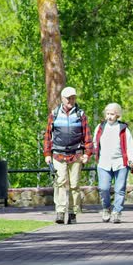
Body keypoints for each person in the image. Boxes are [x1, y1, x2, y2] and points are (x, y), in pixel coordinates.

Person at [43, 86, 93, 224]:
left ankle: (72, 212)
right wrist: (47, 153)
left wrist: (87, 153)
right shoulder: (54, 114)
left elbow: (87, 136)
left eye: (73, 97)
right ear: (62, 99)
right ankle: (60, 212)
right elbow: (48, 136)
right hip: (58, 154)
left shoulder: (80, 115)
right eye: (68, 98)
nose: (71, 100)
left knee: (74, 185)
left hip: (76, 154)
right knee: (60, 182)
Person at [93, 103, 133, 224]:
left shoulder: (123, 129)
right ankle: (106, 208)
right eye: (107, 114)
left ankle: (117, 212)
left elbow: (130, 145)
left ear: (117, 115)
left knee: (120, 189)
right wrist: (92, 153)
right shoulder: (100, 127)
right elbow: (95, 142)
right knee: (103, 188)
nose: (109, 116)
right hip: (103, 162)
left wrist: (131, 159)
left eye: (112, 114)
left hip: (120, 163)